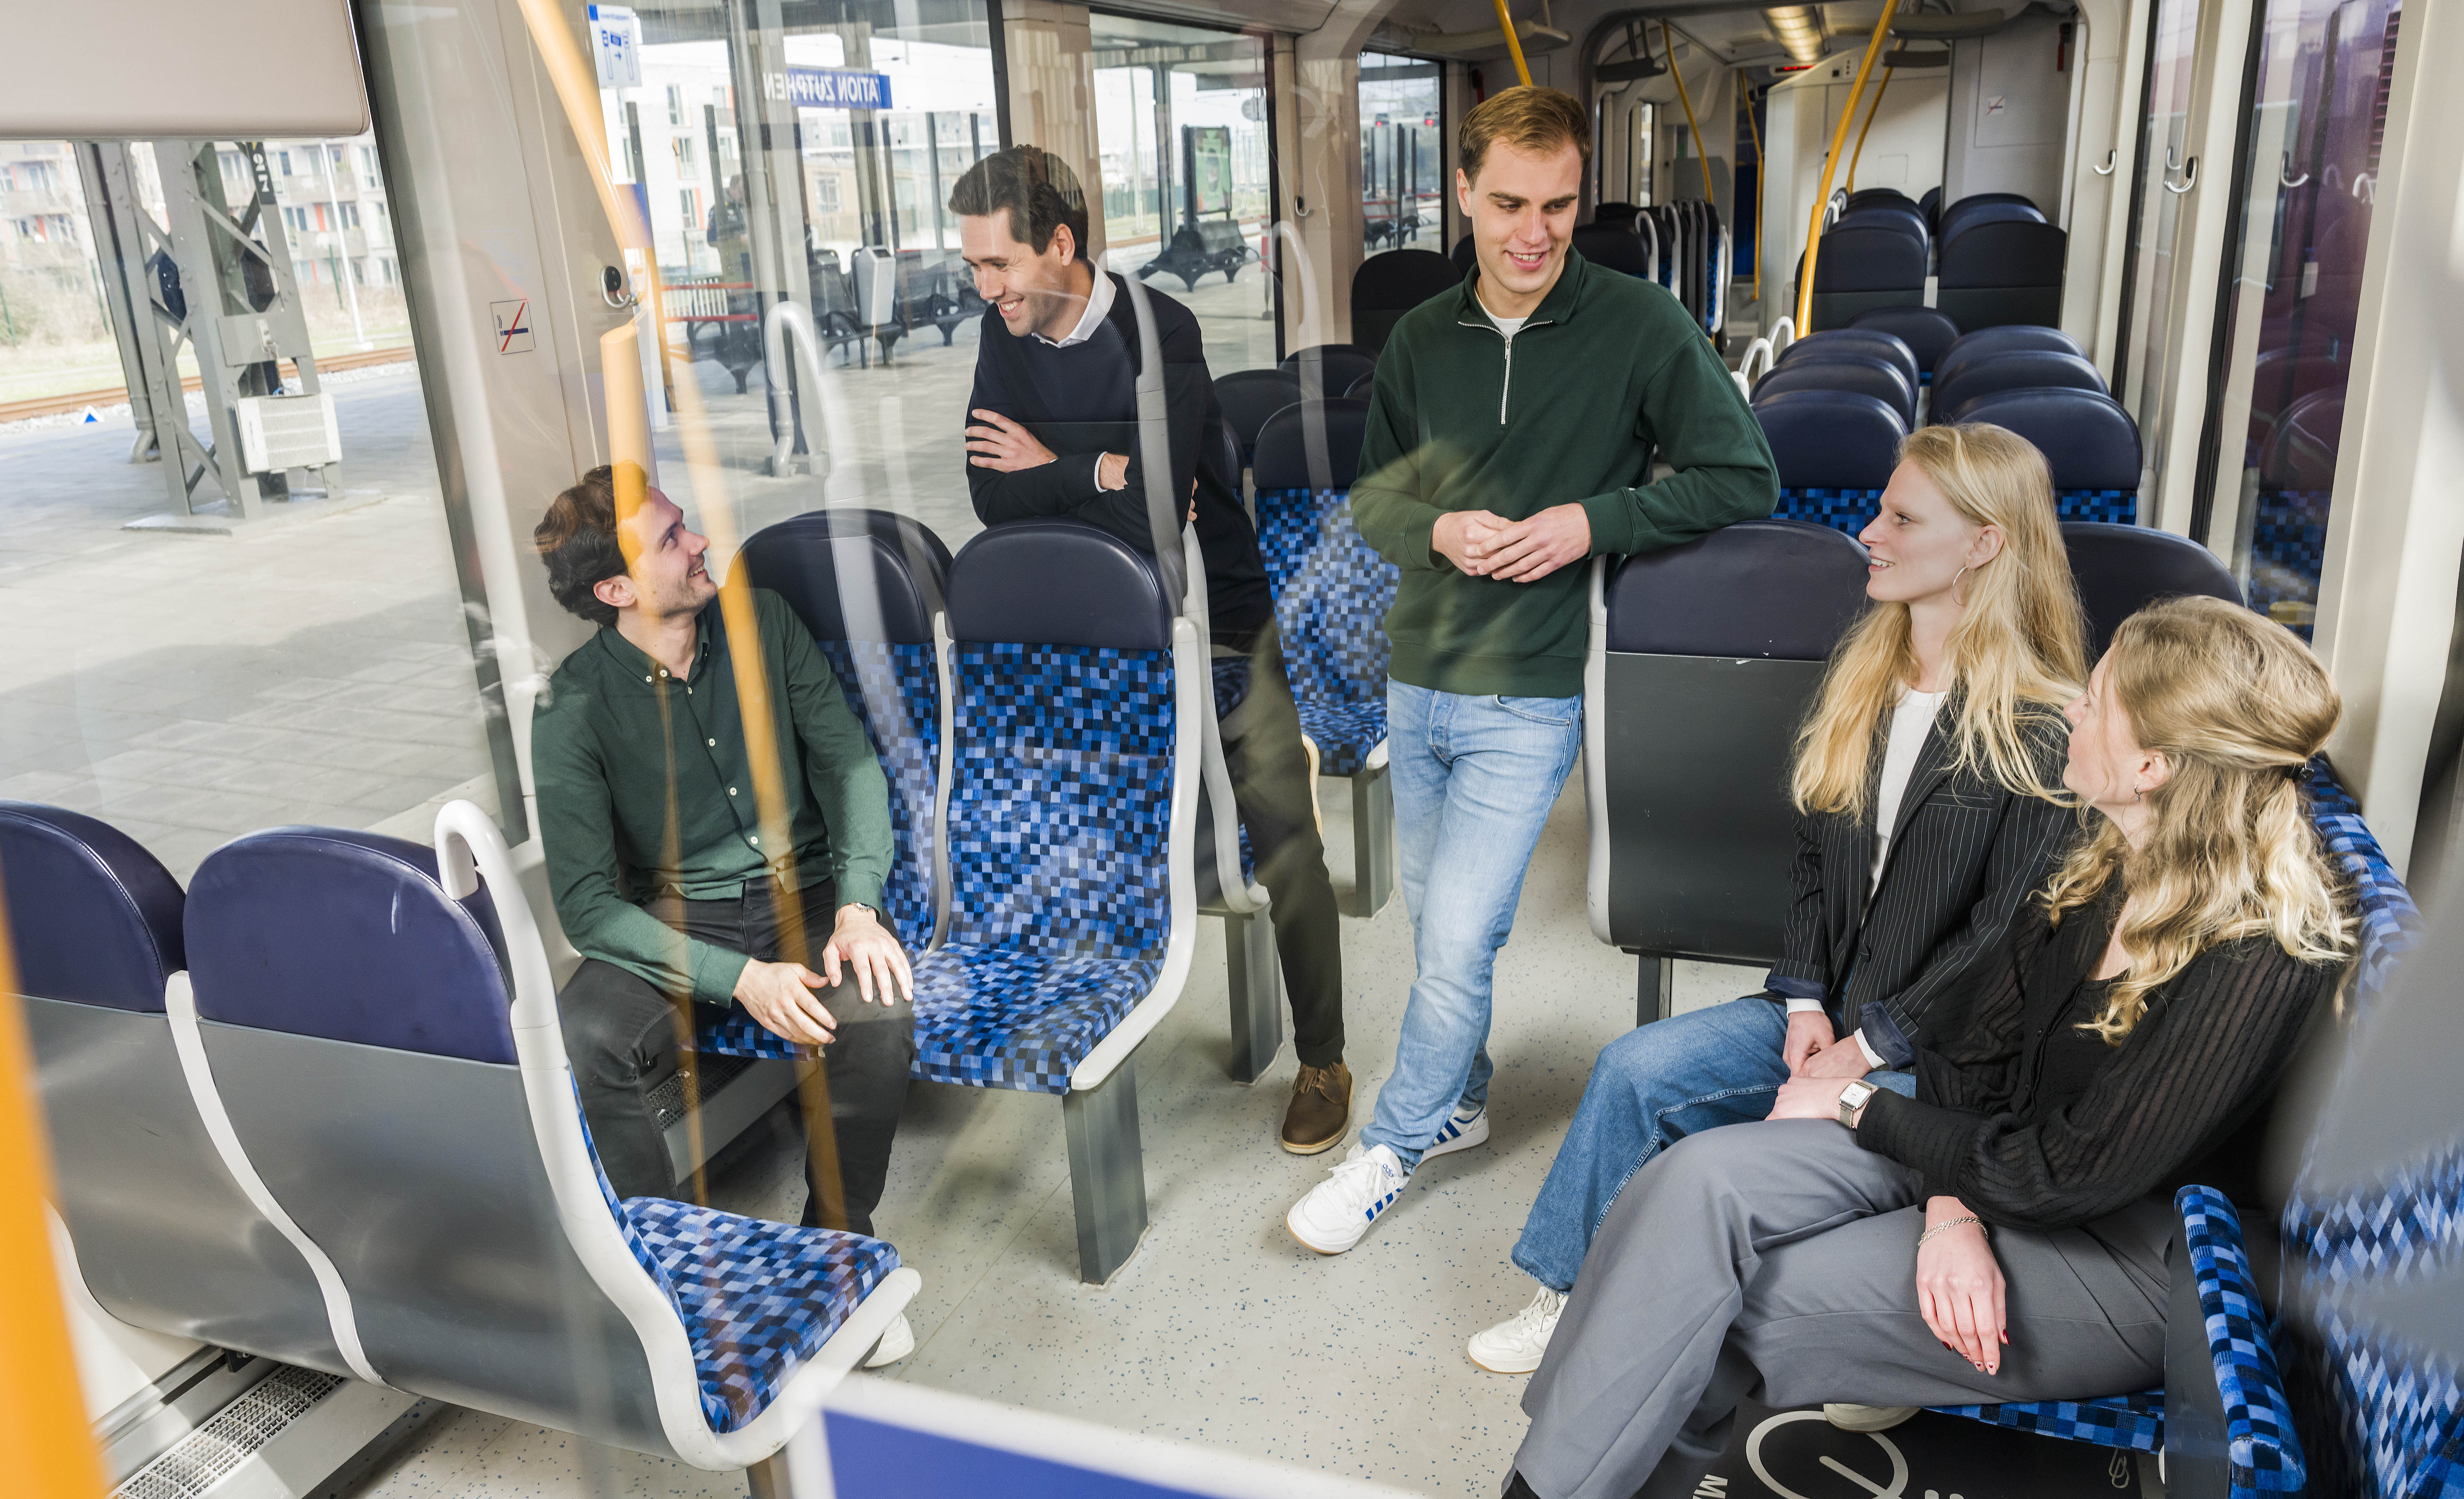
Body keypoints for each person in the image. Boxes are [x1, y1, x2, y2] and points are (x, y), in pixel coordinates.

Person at [1445, 597, 2356, 1499]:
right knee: (1689, 1183)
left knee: (1741, 1305)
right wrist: (1949, 1210)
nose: (2070, 713)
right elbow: (1973, 1048)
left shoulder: (2257, 954)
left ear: (2155, 767)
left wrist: (1861, 1113)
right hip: (1991, 1157)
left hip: (2131, 1255)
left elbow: (2068, 1177)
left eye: (2094, 702)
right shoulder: (2106, 860)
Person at [1469, 423, 2089, 1373]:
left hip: (1942, 1055)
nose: (1869, 533)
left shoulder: (2041, 724)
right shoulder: (1867, 675)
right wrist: (1802, 997)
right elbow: (1813, 861)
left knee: (1764, 1161)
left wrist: (1864, 1050)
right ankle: (1566, 1292)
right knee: (1635, 1071)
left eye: (1900, 517)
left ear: (1986, 543)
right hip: (1826, 1011)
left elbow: (2002, 938)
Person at [1287, 86, 1779, 1254]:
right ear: (1462, 194)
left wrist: (1589, 523)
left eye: (1558, 206)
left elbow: (1743, 476)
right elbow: (1376, 498)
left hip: (1534, 690)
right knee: (1439, 931)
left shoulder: (1641, 325)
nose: (1534, 232)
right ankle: (1461, 1102)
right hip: (1421, 678)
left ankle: (1394, 1144)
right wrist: (1439, 532)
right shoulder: (1418, 340)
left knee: (1458, 936)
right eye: (1508, 202)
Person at [949, 146, 1355, 1155]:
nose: (984, 289)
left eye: (999, 265)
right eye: (972, 268)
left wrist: (1061, 467)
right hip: (1094, 628)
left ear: (1061, 246)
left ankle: (1324, 1056)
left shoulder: (1156, 327)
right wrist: (1093, 468)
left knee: (1280, 832)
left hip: (1214, 615)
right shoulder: (1002, 334)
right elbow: (990, 497)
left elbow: (1159, 511)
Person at [528, 466, 921, 1360]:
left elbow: (851, 768)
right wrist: (737, 979)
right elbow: (588, 905)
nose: (702, 541)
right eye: (672, 538)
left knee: (879, 1014)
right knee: (587, 1034)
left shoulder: (765, 624)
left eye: (684, 525)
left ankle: (839, 1251)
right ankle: (672, 1282)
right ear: (617, 590)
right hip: (678, 918)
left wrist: (858, 909)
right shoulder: (572, 709)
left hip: (808, 891)